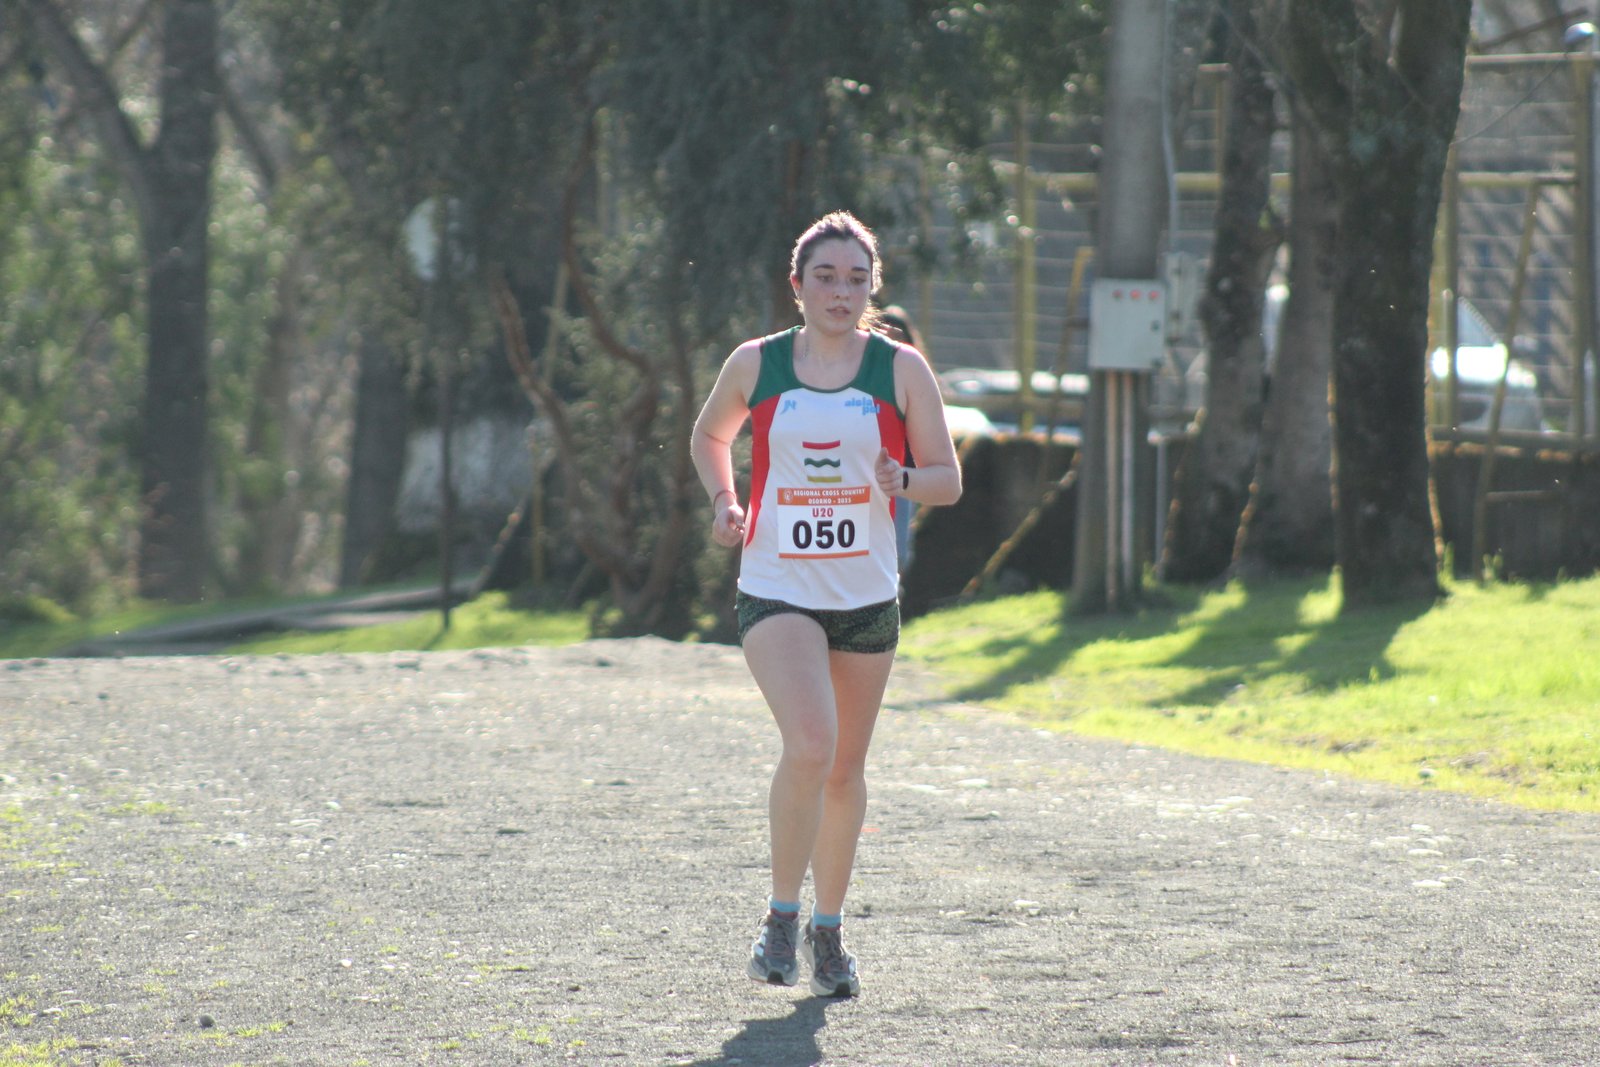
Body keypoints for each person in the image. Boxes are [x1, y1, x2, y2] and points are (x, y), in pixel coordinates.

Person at [691, 211, 963, 997]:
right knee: (812, 742)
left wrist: (902, 480)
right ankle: (780, 918)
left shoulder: (900, 369)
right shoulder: (758, 363)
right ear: (797, 285)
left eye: (856, 278)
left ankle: (829, 931)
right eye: (826, 277)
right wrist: (725, 500)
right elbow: (710, 436)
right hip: (776, 586)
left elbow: (947, 479)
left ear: (872, 287)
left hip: (866, 598)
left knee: (844, 771)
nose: (841, 291)